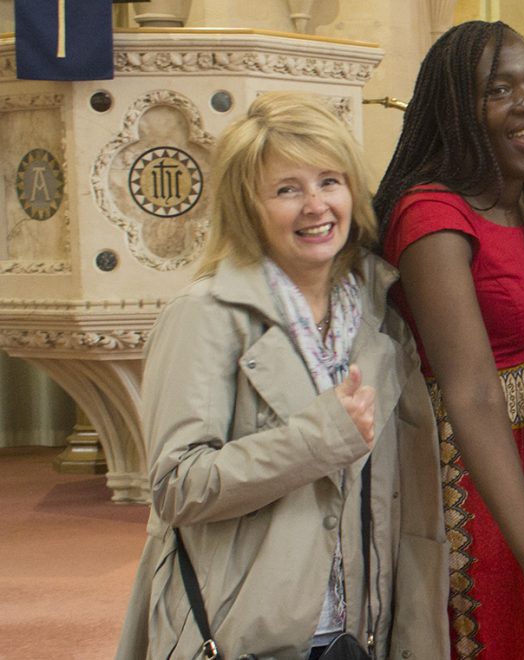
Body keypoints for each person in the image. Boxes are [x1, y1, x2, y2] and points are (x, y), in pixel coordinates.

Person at [116, 93, 447, 660]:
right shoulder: (206, 314)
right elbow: (176, 486)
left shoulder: (378, 319)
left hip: (357, 632)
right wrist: (314, 442)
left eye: (329, 181)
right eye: (286, 190)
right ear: (248, 206)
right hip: (242, 636)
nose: (315, 206)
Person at [375, 21, 524, 659]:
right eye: (499, 90)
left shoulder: (521, 202)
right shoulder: (432, 214)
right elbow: (470, 393)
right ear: (457, 111)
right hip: (477, 486)